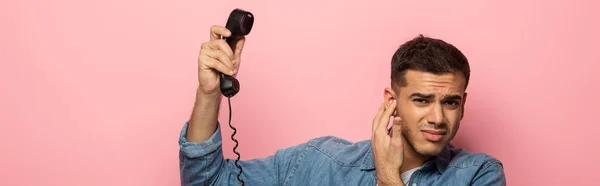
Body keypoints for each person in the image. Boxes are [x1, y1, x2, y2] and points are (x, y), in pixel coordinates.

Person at [177, 25, 506, 186]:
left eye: (450, 103)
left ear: (462, 104)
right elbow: (208, 183)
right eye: (421, 100)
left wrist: (388, 176)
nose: (437, 118)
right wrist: (209, 93)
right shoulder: (318, 161)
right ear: (392, 101)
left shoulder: (478, 174)